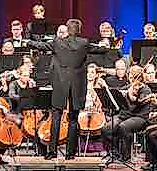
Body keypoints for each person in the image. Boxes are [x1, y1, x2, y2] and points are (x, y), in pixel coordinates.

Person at [26, 19, 106, 159]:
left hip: (60, 84)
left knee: (56, 116)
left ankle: (52, 152)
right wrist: (105, 45)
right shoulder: (84, 43)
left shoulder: (58, 42)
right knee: (73, 119)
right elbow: (100, 50)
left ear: (68, 30)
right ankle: (70, 154)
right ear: (79, 30)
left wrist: (28, 41)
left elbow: (42, 45)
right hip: (77, 85)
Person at [102, 65, 152, 160]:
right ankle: (114, 153)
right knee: (106, 128)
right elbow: (118, 91)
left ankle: (126, 156)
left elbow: (137, 105)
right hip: (125, 115)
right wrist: (106, 87)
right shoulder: (130, 86)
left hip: (139, 117)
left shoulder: (145, 89)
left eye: (131, 75)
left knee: (123, 127)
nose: (129, 77)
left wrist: (130, 95)